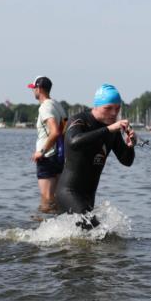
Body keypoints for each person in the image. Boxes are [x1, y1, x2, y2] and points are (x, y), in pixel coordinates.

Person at [55, 84, 135, 221]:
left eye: (117, 108)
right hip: (68, 192)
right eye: (108, 108)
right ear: (96, 106)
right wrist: (109, 129)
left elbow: (126, 161)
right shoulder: (79, 121)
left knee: (87, 237)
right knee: (93, 229)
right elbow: (74, 142)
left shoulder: (112, 130)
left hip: (88, 196)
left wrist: (130, 146)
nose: (114, 113)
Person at [29, 75, 67, 212]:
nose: (33, 91)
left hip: (48, 157)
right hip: (60, 157)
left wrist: (42, 152)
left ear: (39, 88)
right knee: (55, 198)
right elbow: (65, 128)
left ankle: (43, 228)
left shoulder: (45, 107)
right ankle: (57, 227)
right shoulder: (57, 105)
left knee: (46, 198)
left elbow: (55, 131)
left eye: (33, 88)